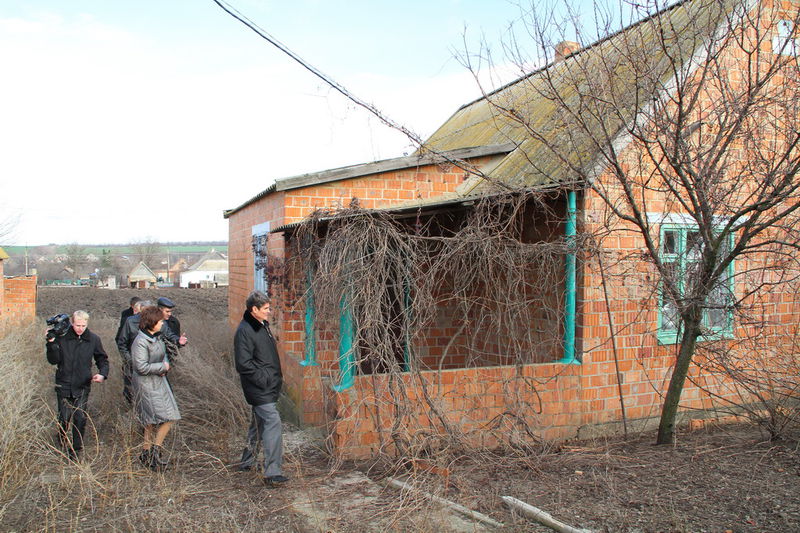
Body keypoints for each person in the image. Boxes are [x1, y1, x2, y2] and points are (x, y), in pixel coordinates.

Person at [234, 290, 288, 487]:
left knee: (257, 425)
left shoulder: (261, 325)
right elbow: (243, 364)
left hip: (267, 386)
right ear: (254, 309)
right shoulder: (245, 331)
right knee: (273, 423)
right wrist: (265, 379)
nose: (269, 311)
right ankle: (272, 472)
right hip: (259, 388)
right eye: (265, 308)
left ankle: (247, 461)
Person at [46, 310, 109, 461]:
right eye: (77, 325)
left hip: (82, 384)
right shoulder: (62, 338)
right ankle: (61, 439)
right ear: (71, 323)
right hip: (64, 382)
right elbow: (53, 360)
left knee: (80, 418)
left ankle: (75, 450)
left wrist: (102, 373)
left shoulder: (93, 339)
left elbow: (102, 359)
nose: (80, 328)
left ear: (87, 324)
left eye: (83, 325)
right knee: (64, 417)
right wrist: (51, 344)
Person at [131, 305, 181, 471]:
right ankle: (155, 452)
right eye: (159, 321)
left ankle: (146, 453)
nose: (162, 323)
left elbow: (163, 356)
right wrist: (162, 367)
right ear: (151, 322)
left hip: (158, 382)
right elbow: (141, 367)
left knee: (151, 422)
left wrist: (164, 366)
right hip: (147, 386)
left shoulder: (156, 337)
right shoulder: (140, 342)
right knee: (170, 417)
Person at [117, 301, 186, 402]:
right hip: (134, 364)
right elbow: (122, 343)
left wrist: (178, 341)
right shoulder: (130, 322)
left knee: (160, 395)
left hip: (155, 364)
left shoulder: (159, 323)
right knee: (133, 394)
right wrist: (130, 361)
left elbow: (169, 335)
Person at [157, 297, 185, 363]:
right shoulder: (150, 321)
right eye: (167, 311)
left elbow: (170, 335)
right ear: (160, 310)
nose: (169, 314)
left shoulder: (174, 322)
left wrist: (178, 340)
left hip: (168, 359)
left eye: (170, 311)